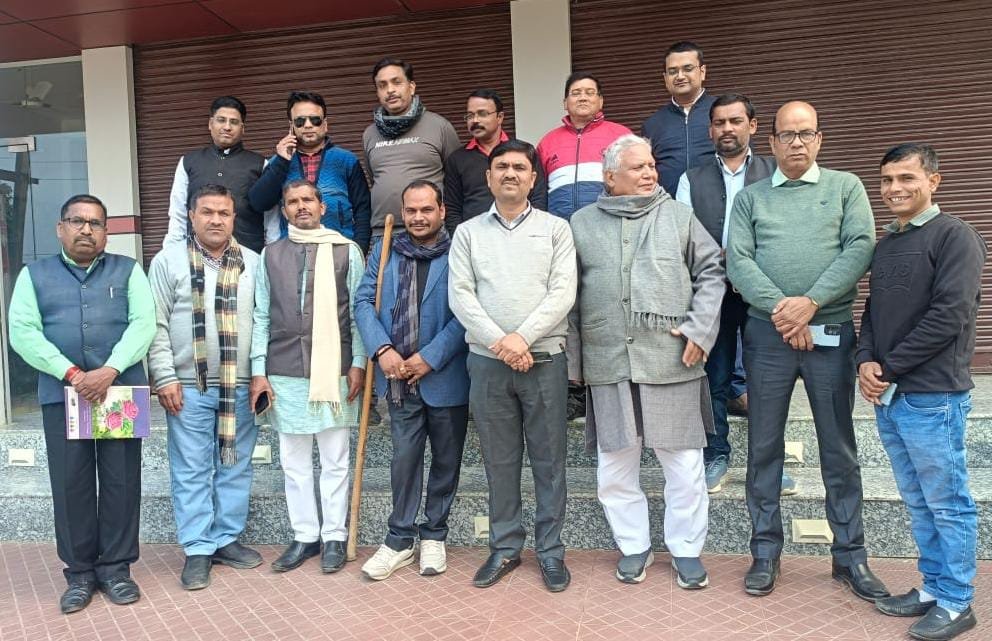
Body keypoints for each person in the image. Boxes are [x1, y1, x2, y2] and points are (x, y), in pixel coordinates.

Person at [726, 101, 888, 601]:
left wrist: (812, 302)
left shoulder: (845, 187)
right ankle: (764, 552)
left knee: (838, 447)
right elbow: (738, 261)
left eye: (806, 133)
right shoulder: (750, 198)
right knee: (763, 447)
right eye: (787, 134)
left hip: (831, 334)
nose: (796, 142)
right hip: (767, 336)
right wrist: (786, 311)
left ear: (819, 139)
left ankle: (850, 556)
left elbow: (860, 247)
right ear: (771, 142)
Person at [569, 134, 724, 586]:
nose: (649, 173)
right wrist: (575, 363)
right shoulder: (581, 223)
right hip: (608, 358)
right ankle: (633, 546)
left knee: (685, 465)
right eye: (637, 167)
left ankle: (687, 549)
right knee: (615, 466)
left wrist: (699, 330)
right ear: (610, 178)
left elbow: (712, 272)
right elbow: (568, 295)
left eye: (651, 165)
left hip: (671, 357)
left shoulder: (679, 216)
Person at [859, 144, 984, 641]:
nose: (895, 189)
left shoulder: (956, 236)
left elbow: (949, 316)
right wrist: (865, 361)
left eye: (907, 178)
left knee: (947, 503)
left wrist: (888, 367)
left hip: (934, 396)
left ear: (933, 180)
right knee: (918, 501)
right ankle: (933, 588)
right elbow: (873, 312)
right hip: (892, 395)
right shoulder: (888, 242)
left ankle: (956, 601)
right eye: (887, 180)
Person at [8, 194, 155, 613]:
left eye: (96, 223)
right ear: (60, 228)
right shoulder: (33, 275)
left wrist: (110, 369)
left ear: (106, 232)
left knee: (121, 481)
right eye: (77, 221)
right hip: (62, 394)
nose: (86, 230)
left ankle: (116, 570)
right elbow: (23, 332)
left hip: (119, 393)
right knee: (70, 483)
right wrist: (72, 373)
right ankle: (79, 574)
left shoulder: (128, 270)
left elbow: (144, 324)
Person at [448, 139, 576, 592]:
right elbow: (460, 295)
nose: (510, 174)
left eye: (519, 167)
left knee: (549, 460)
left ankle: (551, 551)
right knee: (499, 461)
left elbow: (563, 291)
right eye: (501, 166)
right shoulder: (467, 233)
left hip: (544, 360)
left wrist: (523, 337)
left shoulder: (557, 229)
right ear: (488, 177)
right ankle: (504, 547)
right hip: (488, 363)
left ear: (533, 178)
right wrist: (501, 342)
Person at [674, 93, 793, 495]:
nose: (727, 129)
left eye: (735, 121)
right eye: (719, 122)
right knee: (715, 377)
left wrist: (746, 262)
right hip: (713, 292)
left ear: (752, 126)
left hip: (764, 291)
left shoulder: (775, 172)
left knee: (767, 378)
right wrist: (720, 261)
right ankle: (716, 456)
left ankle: (769, 465)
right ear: (710, 130)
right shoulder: (691, 179)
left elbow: (786, 229)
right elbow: (685, 234)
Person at [250, 179, 367, 573]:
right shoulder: (271, 255)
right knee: (293, 462)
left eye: (307, 200)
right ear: (284, 210)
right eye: (292, 202)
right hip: (283, 371)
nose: (301, 207)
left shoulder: (347, 251)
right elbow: (261, 315)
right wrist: (258, 371)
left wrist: (359, 363)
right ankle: (305, 536)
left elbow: (358, 314)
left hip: (334, 371)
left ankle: (334, 536)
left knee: (335, 459)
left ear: (322, 207)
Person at [148, 184, 261, 590]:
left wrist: (260, 373)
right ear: (192, 216)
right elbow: (156, 323)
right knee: (192, 468)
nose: (216, 220)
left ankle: (226, 540)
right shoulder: (168, 261)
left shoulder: (253, 262)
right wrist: (164, 376)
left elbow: (263, 321)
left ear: (234, 218)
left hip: (239, 385)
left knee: (235, 465)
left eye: (224, 213)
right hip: (187, 386)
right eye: (207, 212)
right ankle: (197, 548)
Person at [355, 180, 469, 580]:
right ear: (402, 213)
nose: (418, 217)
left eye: (426, 209)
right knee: (404, 460)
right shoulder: (385, 249)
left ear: (441, 211)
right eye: (411, 210)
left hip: (445, 376)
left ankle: (434, 534)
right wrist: (382, 349)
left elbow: (467, 312)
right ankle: (399, 539)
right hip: (397, 378)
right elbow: (363, 301)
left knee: (446, 460)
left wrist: (430, 358)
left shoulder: (460, 251)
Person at [248, 91, 372, 252]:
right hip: (291, 252)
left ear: (325, 124)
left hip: (339, 249)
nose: (308, 125)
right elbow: (258, 203)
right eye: (300, 121)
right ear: (291, 126)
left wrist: (359, 250)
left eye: (315, 120)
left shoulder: (346, 160)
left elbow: (363, 210)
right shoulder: (278, 162)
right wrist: (282, 161)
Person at [363, 57, 460, 238]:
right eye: (382, 85)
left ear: (412, 87)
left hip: (431, 233)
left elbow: (456, 181)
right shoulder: (370, 134)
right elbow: (374, 177)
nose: (390, 90)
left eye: (396, 82)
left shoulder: (440, 126)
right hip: (384, 233)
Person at [166, 96, 266, 252]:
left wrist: (271, 253)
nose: (227, 127)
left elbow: (271, 217)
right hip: (196, 255)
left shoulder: (259, 164)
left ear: (242, 128)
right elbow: (178, 213)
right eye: (221, 120)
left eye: (234, 122)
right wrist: (171, 250)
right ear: (210, 124)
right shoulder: (188, 162)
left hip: (247, 254)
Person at [443, 88, 547, 231]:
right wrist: (462, 239)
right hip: (475, 238)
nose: (475, 120)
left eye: (482, 114)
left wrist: (531, 234)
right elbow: (453, 209)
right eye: (470, 115)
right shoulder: (457, 159)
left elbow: (538, 198)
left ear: (500, 117)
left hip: (522, 234)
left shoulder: (523, 153)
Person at [536, 72, 631, 221]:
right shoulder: (547, 142)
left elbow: (635, 182)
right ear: (565, 103)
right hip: (561, 227)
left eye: (590, 93)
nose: (583, 98)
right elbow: (538, 192)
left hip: (610, 224)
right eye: (576, 93)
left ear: (600, 101)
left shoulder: (622, 136)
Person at [642, 41, 717, 197]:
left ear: (702, 72)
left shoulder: (722, 113)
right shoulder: (653, 124)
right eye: (673, 71)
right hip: (668, 207)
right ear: (665, 78)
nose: (680, 76)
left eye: (687, 69)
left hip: (717, 204)